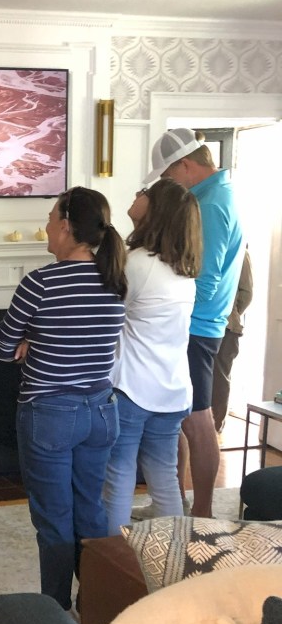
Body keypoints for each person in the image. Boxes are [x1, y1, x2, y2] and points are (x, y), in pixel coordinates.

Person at [0, 186, 126, 613]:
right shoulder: (116, 281)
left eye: (51, 219)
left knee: (53, 518)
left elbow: (1, 348)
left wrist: (31, 340)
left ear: (67, 227)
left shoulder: (40, 283)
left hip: (50, 413)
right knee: (90, 510)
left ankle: (55, 610)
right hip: (102, 411)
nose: (47, 228)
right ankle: (98, 599)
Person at [142, 128, 243, 517]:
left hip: (196, 327)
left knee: (198, 419)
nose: (167, 184)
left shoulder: (211, 202)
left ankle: (201, 514)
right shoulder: (209, 197)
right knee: (179, 416)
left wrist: (172, 315)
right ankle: (173, 503)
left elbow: (207, 275)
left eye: (167, 176)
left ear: (185, 165)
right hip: (192, 324)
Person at [103, 179, 202, 535]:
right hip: (172, 388)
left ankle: (114, 559)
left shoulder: (138, 264)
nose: (136, 195)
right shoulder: (184, 269)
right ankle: (171, 554)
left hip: (132, 388)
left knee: (119, 475)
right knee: (164, 475)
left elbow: (108, 315)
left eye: (143, 192)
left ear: (155, 209)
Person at [212, 250, 253, 433]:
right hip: (213, 324)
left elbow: (247, 293)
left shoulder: (239, 252)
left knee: (219, 379)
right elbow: (246, 292)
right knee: (217, 378)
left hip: (226, 327)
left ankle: (214, 428)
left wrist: (232, 314)